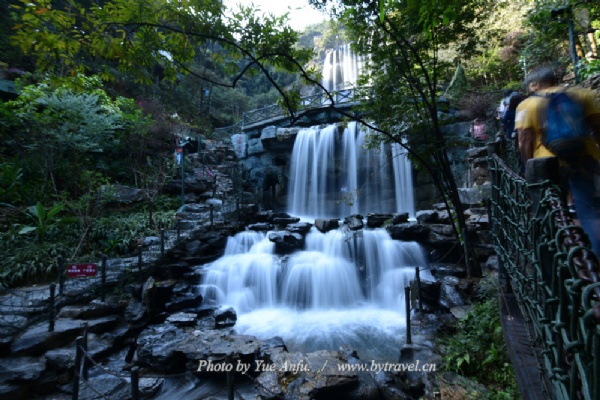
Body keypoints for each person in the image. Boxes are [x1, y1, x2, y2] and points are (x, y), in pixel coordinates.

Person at [515, 65, 600, 256]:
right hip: (584, 159)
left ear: (535, 84)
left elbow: (524, 140)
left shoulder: (527, 105)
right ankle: (593, 257)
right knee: (586, 208)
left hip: (547, 165)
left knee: (553, 210)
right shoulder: (581, 94)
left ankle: (564, 255)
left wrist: (528, 167)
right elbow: (597, 126)